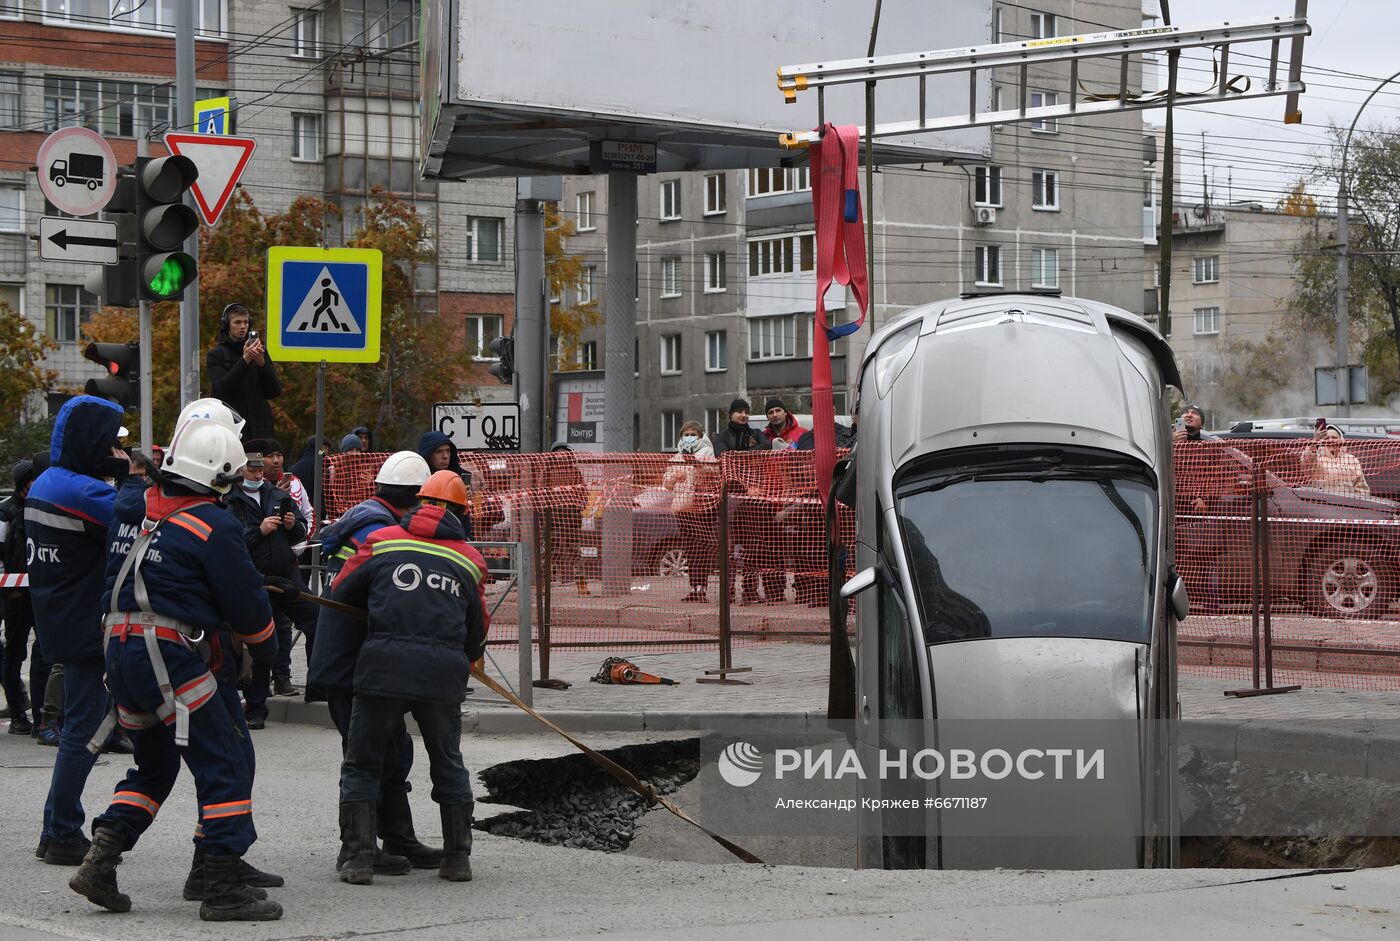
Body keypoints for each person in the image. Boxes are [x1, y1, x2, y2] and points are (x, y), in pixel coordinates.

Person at [66, 417, 283, 922]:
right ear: (218, 476)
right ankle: (222, 888)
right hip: (168, 656)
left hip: (120, 651)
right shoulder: (213, 522)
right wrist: (265, 651)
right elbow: (250, 609)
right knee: (225, 762)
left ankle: (101, 860)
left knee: (155, 765)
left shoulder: (133, 510)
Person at [332, 470, 488, 885]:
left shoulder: (382, 541)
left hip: (382, 668)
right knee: (448, 763)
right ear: (459, 512)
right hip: (441, 676)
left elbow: (341, 589)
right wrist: (463, 656)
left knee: (363, 763)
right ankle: (457, 859)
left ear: (420, 502)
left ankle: (359, 859)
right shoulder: (470, 560)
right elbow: (478, 630)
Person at [308, 450, 441, 875]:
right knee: (364, 755)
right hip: (355, 662)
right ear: (416, 497)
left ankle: (397, 837)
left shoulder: (366, 518)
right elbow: (391, 603)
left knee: (393, 747)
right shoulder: (383, 531)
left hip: (357, 657)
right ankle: (356, 850)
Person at [24, 395, 129, 865]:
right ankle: (63, 830)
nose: (113, 449)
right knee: (84, 731)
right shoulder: (84, 492)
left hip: (60, 618)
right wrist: (130, 477)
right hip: (88, 624)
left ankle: (54, 828)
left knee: (80, 727)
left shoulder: (49, 481)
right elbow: (139, 517)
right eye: (109, 441)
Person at [223, 452, 312, 719]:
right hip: (255, 580)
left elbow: (302, 529)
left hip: (286, 575)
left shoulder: (275, 493)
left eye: (260, 470)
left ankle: (319, 685)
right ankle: (256, 707)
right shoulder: (230, 500)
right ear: (240, 471)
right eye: (252, 471)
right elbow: (231, 541)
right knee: (262, 642)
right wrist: (258, 531)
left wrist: (292, 524)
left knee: (317, 619)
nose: (258, 475)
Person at [2, 455, 51, 736]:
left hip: (38, 594)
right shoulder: (6, 512)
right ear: (24, 485)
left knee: (43, 653)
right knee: (14, 654)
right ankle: (19, 715)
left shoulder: (38, 509)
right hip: (14, 597)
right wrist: (11, 591)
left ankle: (42, 716)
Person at [1172, 404, 1225, 615]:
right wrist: (1170, 444)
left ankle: (1211, 606)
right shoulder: (1168, 442)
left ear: (1202, 422)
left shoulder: (1210, 446)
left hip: (1202, 513)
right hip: (1173, 511)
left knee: (1206, 559)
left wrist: (1206, 498)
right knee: (1173, 559)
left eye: (1195, 414)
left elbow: (1220, 477)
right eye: (1186, 413)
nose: (1189, 415)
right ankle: (1173, 603)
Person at [205, 304, 281, 441]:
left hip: (261, 429)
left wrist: (262, 365)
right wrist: (245, 360)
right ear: (227, 325)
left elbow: (274, 391)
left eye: (245, 322)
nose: (242, 327)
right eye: (237, 322)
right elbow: (220, 390)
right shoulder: (216, 355)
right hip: (232, 429)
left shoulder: (260, 352)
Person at [663, 422, 719, 603]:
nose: (689, 437)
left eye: (692, 434)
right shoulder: (676, 457)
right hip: (683, 509)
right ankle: (693, 588)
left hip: (703, 508)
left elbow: (713, 471)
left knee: (702, 549)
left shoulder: (707, 452)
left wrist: (697, 465)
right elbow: (667, 482)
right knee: (691, 549)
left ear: (700, 435)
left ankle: (702, 588)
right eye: (685, 434)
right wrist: (674, 477)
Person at [417, 430, 474, 539]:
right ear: (428, 455)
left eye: (448, 451)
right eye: (439, 451)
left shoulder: (459, 477)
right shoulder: (417, 478)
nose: (445, 456)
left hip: (457, 535)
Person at [1301, 423, 1370, 495]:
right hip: (1322, 503)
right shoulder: (1316, 458)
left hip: (1347, 504)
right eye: (1327, 438)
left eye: (1334, 437)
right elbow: (1306, 463)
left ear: (1341, 440)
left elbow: (1361, 488)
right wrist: (1313, 443)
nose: (1330, 440)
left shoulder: (1352, 460)